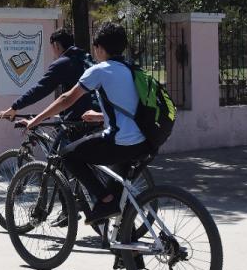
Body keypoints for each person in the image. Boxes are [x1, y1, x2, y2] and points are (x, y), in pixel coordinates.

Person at [20, 22, 150, 224]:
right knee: (118, 203)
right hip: (146, 141)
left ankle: (104, 200)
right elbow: (131, 108)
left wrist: (35, 120)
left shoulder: (99, 70)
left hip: (122, 143)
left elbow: (66, 99)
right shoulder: (132, 69)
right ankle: (126, 239)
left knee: (67, 155)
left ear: (100, 48)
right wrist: (99, 116)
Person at [0, 28, 96, 126]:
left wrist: (15, 107)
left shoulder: (63, 63)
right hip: (98, 116)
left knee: (62, 137)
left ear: (56, 45)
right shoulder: (86, 57)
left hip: (80, 121)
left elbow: (41, 89)